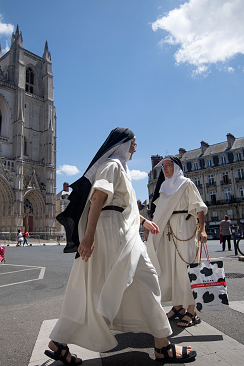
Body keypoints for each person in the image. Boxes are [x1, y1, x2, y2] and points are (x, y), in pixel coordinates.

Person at [48, 128, 196, 365]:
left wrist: (144, 221)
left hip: (120, 229)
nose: (135, 148)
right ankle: (162, 346)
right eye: (133, 143)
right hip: (113, 233)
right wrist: (88, 237)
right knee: (144, 280)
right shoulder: (113, 165)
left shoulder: (120, 169)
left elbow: (124, 207)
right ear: (123, 143)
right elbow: (98, 199)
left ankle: (60, 341)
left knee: (97, 287)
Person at [146, 156, 208, 328]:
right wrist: (149, 228)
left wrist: (202, 229)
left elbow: (199, 207)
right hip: (168, 232)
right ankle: (178, 306)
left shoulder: (187, 184)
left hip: (186, 229)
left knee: (186, 269)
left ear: (177, 167)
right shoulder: (164, 188)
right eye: (163, 166)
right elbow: (158, 212)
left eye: (169, 165)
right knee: (171, 270)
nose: (165, 168)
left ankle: (192, 310)